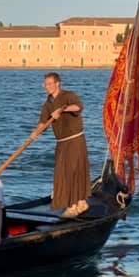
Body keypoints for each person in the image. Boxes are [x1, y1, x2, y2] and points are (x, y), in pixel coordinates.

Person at [33, 72, 91, 218]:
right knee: (62, 173)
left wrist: (62, 110)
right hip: (61, 143)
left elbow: (78, 107)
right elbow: (43, 122)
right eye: (45, 84)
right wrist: (36, 132)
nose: (46, 87)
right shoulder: (47, 104)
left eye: (49, 84)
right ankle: (76, 203)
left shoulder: (68, 95)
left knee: (74, 170)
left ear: (57, 83)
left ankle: (77, 204)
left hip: (75, 140)